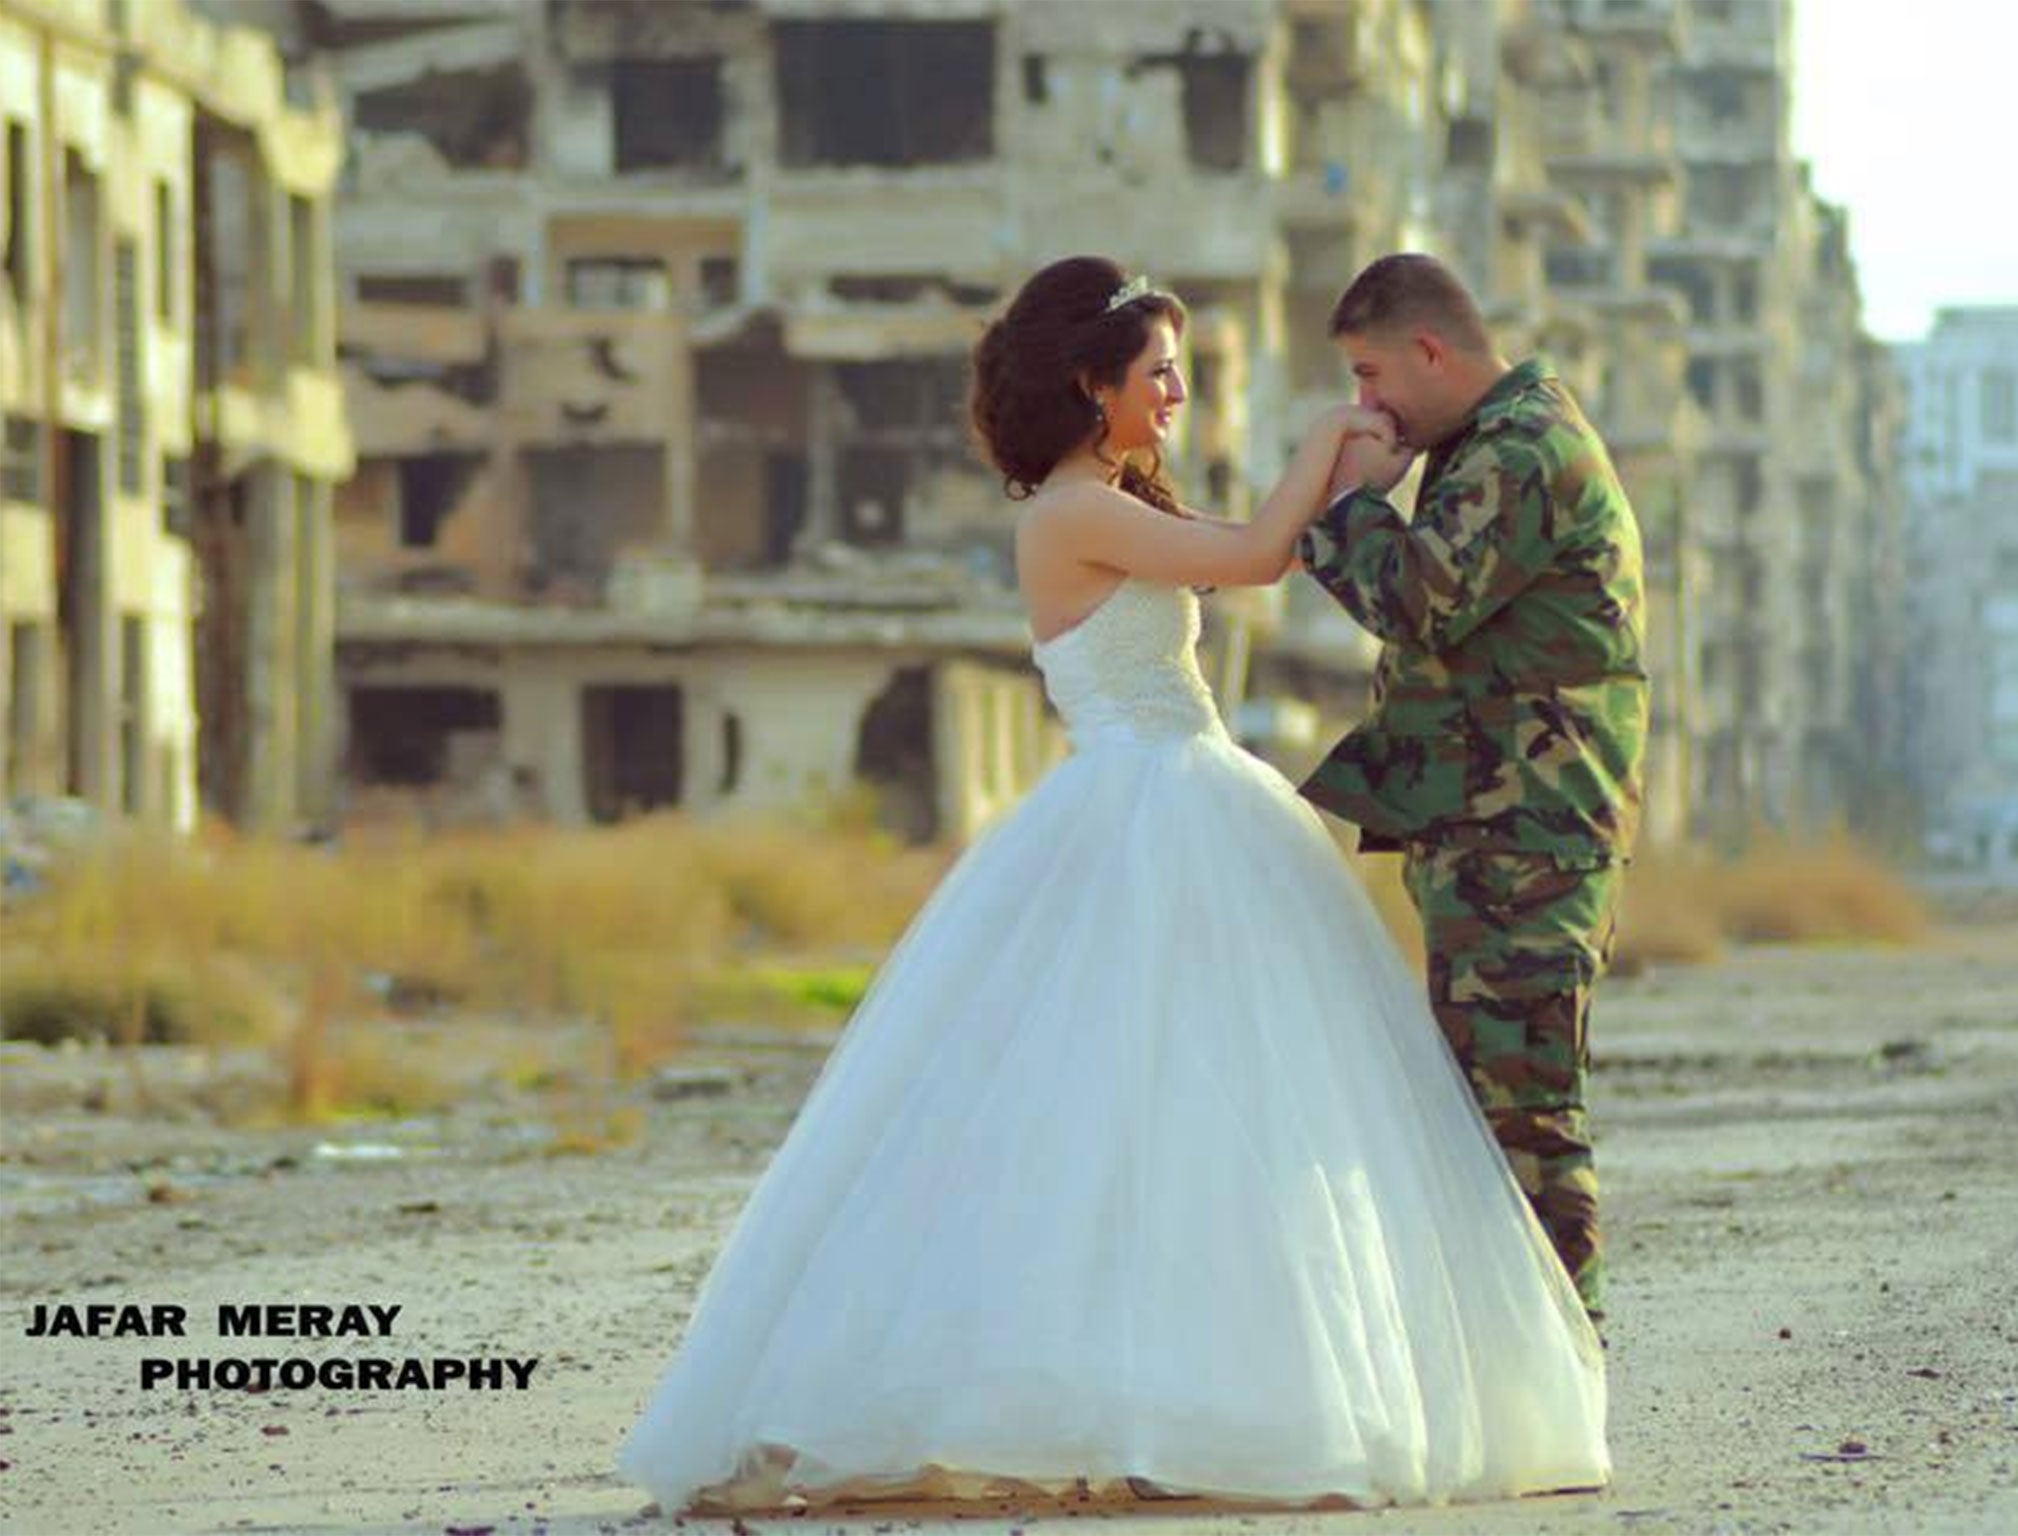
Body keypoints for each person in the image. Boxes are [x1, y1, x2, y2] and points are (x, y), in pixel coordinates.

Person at [617, 255, 1608, 1515]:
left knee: (1208, 1120)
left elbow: (1241, 552)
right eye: (1157, 372)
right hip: (1141, 807)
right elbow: (1254, 557)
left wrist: (1352, 477)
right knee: (1113, 1115)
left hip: (1190, 796)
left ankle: (1197, 1389)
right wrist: (1331, 448)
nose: (1177, 392)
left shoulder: (1112, 502)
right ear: (1090, 387)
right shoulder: (1066, 513)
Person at [1294, 252, 1650, 1320]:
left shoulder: (1521, 449)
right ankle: (1521, 1373)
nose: (1364, 403)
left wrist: (1351, 498)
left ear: (1429, 351)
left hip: (1526, 842)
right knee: (1492, 1111)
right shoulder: (1491, 445)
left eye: (1369, 375)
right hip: (1501, 833)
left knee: (1521, 1118)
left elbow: (1415, 599)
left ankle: (1562, 1373)